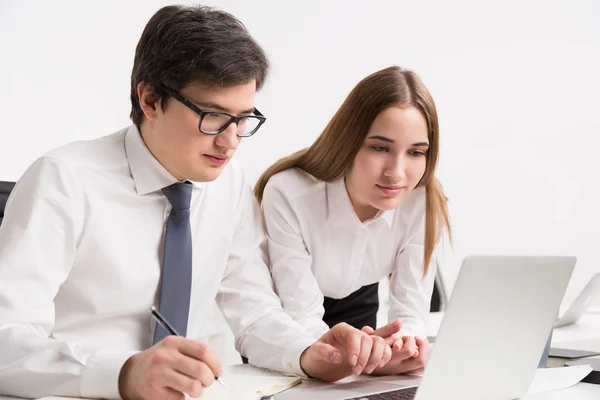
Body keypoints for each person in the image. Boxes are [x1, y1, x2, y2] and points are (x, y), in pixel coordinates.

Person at [0, 6, 396, 400]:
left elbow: (253, 311)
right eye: (213, 116)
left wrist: (312, 353)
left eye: (243, 119)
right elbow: (6, 339)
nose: (229, 141)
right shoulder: (63, 180)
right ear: (151, 99)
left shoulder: (229, 183)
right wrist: (123, 373)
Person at [254, 66, 452, 376]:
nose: (397, 173)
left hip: (359, 301)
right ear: (349, 140)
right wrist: (336, 358)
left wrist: (405, 347)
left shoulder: (423, 199)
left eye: (416, 152)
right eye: (379, 148)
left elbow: (411, 314)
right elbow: (301, 318)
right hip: (287, 318)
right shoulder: (289, 193)